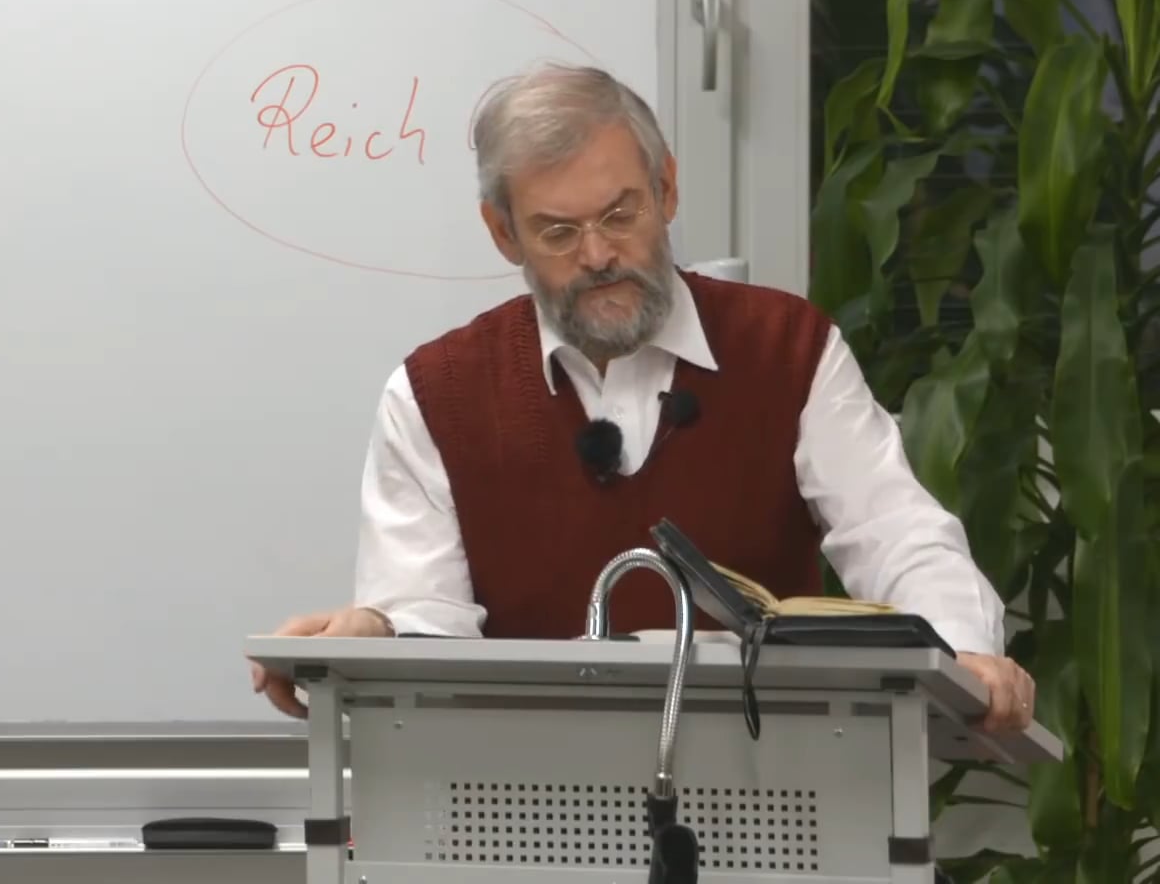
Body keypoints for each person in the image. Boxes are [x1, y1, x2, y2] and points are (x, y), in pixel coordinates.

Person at [250, 61, 1034, 734]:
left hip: (776, 786)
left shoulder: (787, 349)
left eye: (621, 213)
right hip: (518, 803)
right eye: (558, 232)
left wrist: (963, 650)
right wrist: (376, 633)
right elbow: (427, 622)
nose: (599, 255)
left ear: (667, 188)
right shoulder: (435, 394)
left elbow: (895, 532)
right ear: (503, 234)